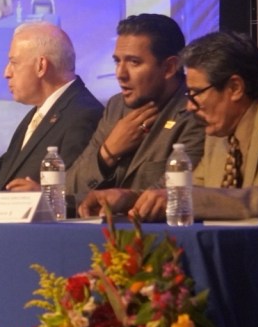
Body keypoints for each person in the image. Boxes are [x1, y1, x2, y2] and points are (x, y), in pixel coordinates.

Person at [79, 31, 258, 221]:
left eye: (195, 93)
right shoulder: (221, 129)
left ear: (235, 88)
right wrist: (130, 198)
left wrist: (177, 198)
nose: (190, 105)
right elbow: (195, 188)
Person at [0, 22, 103, 216]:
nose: (6, 73)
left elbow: (70, 199)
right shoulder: (41, 112)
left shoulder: (83, 115)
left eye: (14, 62)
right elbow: (1, 183)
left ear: (41, 66)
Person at [65, 14, 205, 201]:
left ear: (169, 68)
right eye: (117, 61)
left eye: (134, 62)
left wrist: (122, 201)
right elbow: (68, 188)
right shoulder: (116, 107)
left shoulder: (196, 111)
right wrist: (108, 153)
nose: (120, 74)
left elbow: (173, 195)